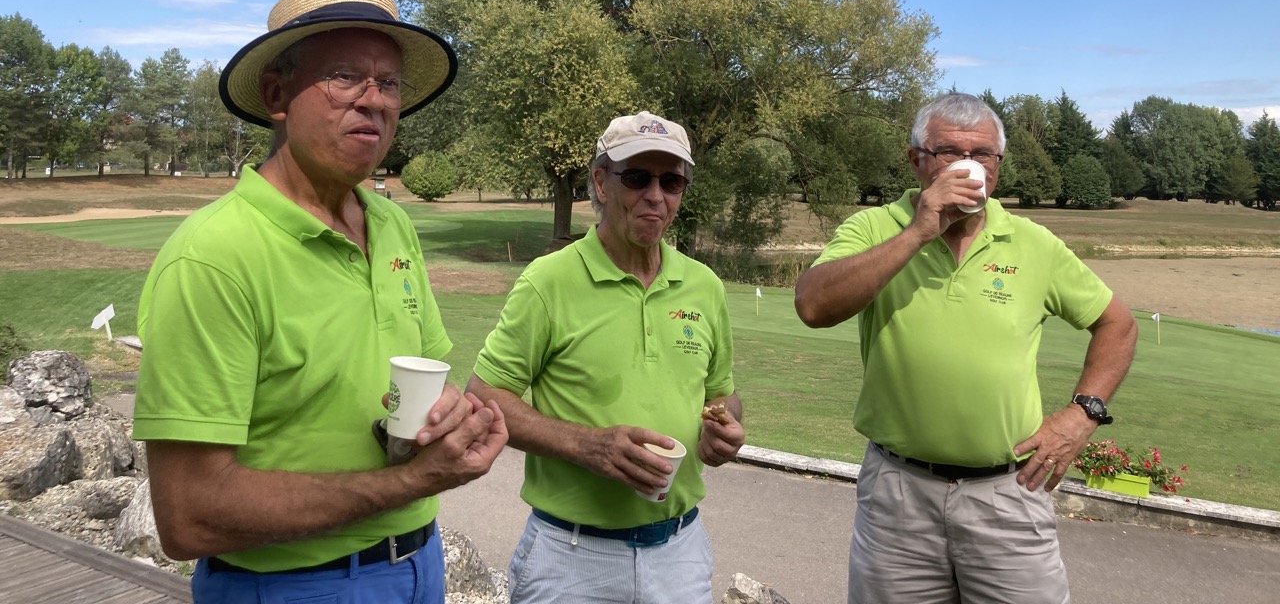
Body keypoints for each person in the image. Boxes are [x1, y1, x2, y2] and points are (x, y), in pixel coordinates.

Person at [132, 0, 508, 604]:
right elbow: (189, 515)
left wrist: (450, 420)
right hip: (290, 586)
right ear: (276, 94)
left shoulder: (391, 224)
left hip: (421, 565)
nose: (374, 101)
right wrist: (413, 481)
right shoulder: (213, 257)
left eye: (389, 83)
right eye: (344, 77)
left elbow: (427, 377)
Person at [794, 92, 1138, 604]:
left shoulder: (1032, 243)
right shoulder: (875, 227)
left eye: (982, 154)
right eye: (950, 152)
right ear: (917, 160)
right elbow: (813, 305)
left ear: (998, 165)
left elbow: (1118, 325)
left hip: (1009, 493)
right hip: (899, 496)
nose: (969, 165)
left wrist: (1080, 416)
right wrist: (917, 232)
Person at [465, 111, 745, 604]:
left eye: (672, 181)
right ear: (600, 182)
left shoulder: (705, 286)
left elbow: (722, 395)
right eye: (637, 178)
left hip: (679, 553)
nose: (656, 195)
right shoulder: (549, 281)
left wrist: (723, 429)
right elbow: (484, 396)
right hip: (571, 558)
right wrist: (587, 446)